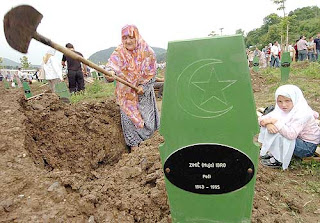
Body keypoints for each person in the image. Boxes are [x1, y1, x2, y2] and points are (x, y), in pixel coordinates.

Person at [105, 24, 160, 151]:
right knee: (129, 121)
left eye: (131, 37)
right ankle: (134, 151)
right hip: (126, 95)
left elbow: (152, 74)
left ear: (137, 36)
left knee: (148, 123)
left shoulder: (148, 52)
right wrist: (110, 74)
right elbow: (110, 67)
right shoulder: (119, 52)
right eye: (124, 38)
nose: (128, 41)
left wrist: (143, 87)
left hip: (144, 94)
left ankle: (152, 148)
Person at [258, 85, 320, 169]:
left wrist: (274, 121)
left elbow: (291, 134)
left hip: (306, 146)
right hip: (297, 140)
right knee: (270, 128)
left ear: (295, 99)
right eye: (280, 101)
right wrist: (268, 124)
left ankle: (279, 160)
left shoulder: (302, 113)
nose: (283, 105)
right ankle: (275, 152)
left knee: (277, 132)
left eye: (288, 101)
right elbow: (261, 119)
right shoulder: (282, 110)